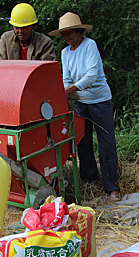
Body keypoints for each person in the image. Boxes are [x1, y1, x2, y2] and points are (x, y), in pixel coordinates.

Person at [49, 12, 121, 202]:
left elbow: (92, 76)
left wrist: (70, 89)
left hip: (100, 101)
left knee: (106, 142)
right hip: (80, 101)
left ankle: (112, 187)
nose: (67, 37)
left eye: (70, 33)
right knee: (83, 141)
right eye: (63, 34)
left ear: (79, 31)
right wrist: (65, 91)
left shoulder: (90, 45)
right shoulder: (65, 52)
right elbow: (66, 78)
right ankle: (90, 178)